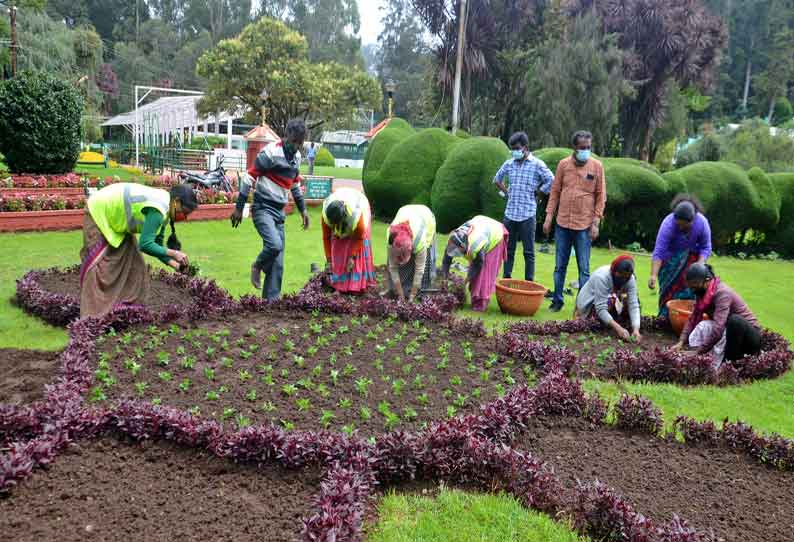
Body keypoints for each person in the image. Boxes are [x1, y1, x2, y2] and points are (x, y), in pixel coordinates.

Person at [80, 182, 198, 318]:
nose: (185, 218)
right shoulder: (159, 209)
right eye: (186, 212)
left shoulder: (165, 210)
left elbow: (156, 245)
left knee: (135, 266)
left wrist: (176, 266)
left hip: (117, 222)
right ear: (176, 202)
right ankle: (91, 318)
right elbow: (146, 244)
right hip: (99, 212)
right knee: (98, 267)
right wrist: (174, 253)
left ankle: (125, 312)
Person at [231, 119, 311, 301]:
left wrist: (303, 211)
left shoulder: (296, 158)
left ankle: (270, 306)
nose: (295, 146)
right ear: (287, 136)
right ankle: (257, 266)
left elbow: (295, 185)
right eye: (293, 141)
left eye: (299, 143)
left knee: (278, 265)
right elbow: (249, 177)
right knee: (274, 245)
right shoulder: (270, 152)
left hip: (279, 213)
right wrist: (239, 208)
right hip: (262, 208)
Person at [543, 130, 606, 312]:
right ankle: (557, 300)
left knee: (584, 269)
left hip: (584, 225)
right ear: (574, 148)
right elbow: (554, 192)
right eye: (582, 148)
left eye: (588, 147)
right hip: (562, 223)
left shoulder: (597, 166)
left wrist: (595, 223)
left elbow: (601, 196)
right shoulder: (563, 165)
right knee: (559, 266)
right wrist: (548, 217)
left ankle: (582, 306)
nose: (585, 150)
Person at [493, 131, 554, 282]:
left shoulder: (537, 164)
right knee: (509, 250)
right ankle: (506, 280)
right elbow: (497, 179)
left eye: (517, 148)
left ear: (525, 148)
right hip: (510, 214)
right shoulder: (509, 164)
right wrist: (507, 192)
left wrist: (539, 192)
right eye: (512, 148)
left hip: (528, 214)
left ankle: (529, 282)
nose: (514, 151)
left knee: (529, 251)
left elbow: (551, 179)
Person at [672, 263, 761, 366]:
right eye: (690, 286)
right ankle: (713, 358)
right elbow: (693, 319)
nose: (692, 289)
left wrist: (698, 352)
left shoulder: (722, 293)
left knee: (734, 320)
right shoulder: (701, 294)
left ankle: (730, 363)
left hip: (748, 338)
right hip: (729, 332)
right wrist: (681, 341)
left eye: (695, 284)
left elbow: (718, 328)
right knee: (705, 325)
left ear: (707, 280)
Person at [648, 195, 712, 317]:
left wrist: (699, 265)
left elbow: (706, 247)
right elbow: (659, 250)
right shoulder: (668, 224)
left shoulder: (702, 223)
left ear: (692, 221)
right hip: (670, 263)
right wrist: (653, 275)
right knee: (668, 294)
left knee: (692, 290)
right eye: (679, 225)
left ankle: (688, 320)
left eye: (685, 225)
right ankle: (665, 319)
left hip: (692, 262)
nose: (681, 228)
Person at [440, 215, 508, 312]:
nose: (456, 253)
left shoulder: (475, 244)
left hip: (495, 232)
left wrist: (465, 282)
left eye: (459, 251)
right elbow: (446, 262)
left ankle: (481, 302)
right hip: (482, 224)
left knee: (483, 273)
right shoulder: (453, 239)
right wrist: (444, 280)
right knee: (475, 273)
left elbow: (478, 264)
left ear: (464, 246)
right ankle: (475, 294)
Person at [321, 187, 376, 293]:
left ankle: (355, 284)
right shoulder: (326, 214)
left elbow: (359, 238)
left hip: (361, 204)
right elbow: (326, 237)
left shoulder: (357, 217)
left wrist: (352, 257)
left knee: (354, 248)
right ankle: (339, 282)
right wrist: (329, 260)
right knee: (337, 245)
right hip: (344, 202)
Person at [574, 254, 641, 342]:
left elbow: (634, 304)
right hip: (588, 304)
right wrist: (618, 328)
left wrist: (636, 329)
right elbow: (601, 308)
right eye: (620, 276)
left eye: (626, 277)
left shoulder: (630, 279)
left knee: (629, 301)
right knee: (610, 302)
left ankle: (614, 322)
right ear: (614, 271)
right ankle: (594, 322)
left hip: (608, 297)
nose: (624, 279)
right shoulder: (601, 277)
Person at [385, 204, 437, 302]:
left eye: (402, 257)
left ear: (410, 249)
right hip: (405, 210)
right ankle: (401, 289)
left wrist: (412, 296)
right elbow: (392, 267)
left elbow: (420, 270)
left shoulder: (419, 241)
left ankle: (422, 291)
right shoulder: (391, 238)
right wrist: (400, 294)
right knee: (399, 266)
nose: (399, 260)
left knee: (424, 263)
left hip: (426, 217)